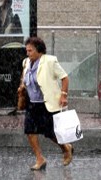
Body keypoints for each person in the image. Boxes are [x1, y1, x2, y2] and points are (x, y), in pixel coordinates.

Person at [18, 36, 73, 170]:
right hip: (32, 102)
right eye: (27, 50)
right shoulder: (26, 62)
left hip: (46, 103)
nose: (27, 53)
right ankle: (40, 159)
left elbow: (65, 78)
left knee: (50, 133)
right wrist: (22, 87)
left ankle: (66, 148)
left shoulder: (49, 61)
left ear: (39, 51)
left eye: (30, 51)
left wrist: (63, 96)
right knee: (30, 131)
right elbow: (24, 78)